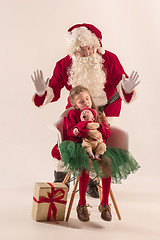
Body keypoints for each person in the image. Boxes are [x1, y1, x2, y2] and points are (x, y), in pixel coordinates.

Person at [31, 23, 140, 198]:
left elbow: (122, 84)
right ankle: (61, 179)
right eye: (81, 49)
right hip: (77, 110)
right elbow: (54, 89)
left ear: (95, 45)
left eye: (90, 47)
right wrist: (41, 92)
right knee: (66, 141)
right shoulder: (64, 64)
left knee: (99, 144)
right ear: (73, 50)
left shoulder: (109, 59)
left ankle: (92, 181)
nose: (87, 52)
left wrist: (126, 89)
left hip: (106, 111)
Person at [59, 85, 140, 222]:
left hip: (98, 146)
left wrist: (101, 127)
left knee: (107, 162)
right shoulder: (73, 114)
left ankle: (104, 204)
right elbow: (70, 133)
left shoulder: (98, 114)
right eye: (81, 101)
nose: (86, 102)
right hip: (80, 146)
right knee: (87, 162)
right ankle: (82, 204)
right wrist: (87, 131)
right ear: (75, 104)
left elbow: (107, 134)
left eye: (87, 98)